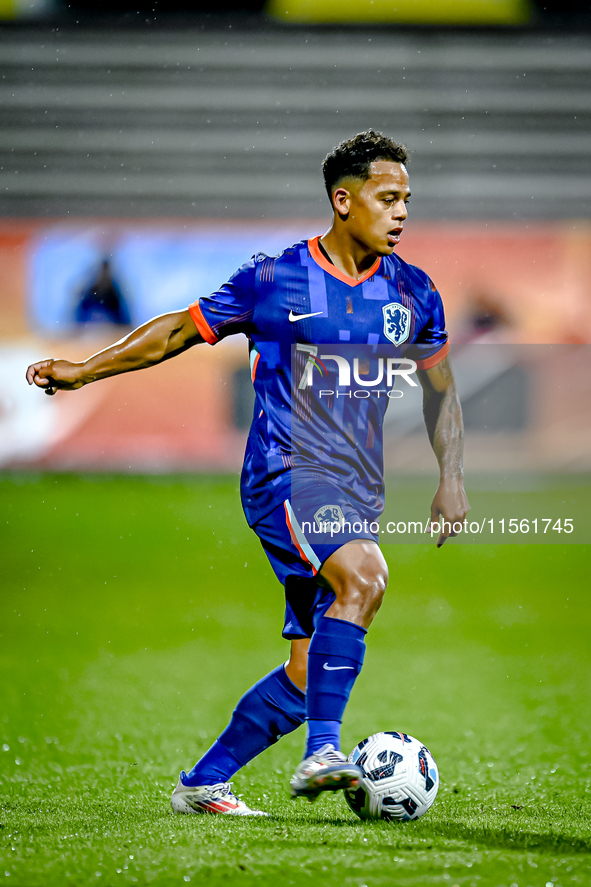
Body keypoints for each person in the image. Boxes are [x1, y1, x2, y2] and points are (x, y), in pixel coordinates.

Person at [26, 130, 469, 817]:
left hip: (353, 492)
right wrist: (85, 368)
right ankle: (325, 750)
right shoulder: (275, 279)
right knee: (366, 577)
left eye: (407, 198)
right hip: (283, 475)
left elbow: (440, 386)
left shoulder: (413, 291)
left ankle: (203, 782)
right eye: (387, 198)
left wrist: (451, 476)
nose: (401, 211)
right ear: (342, 200)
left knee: (303, 671)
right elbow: (180, 329)